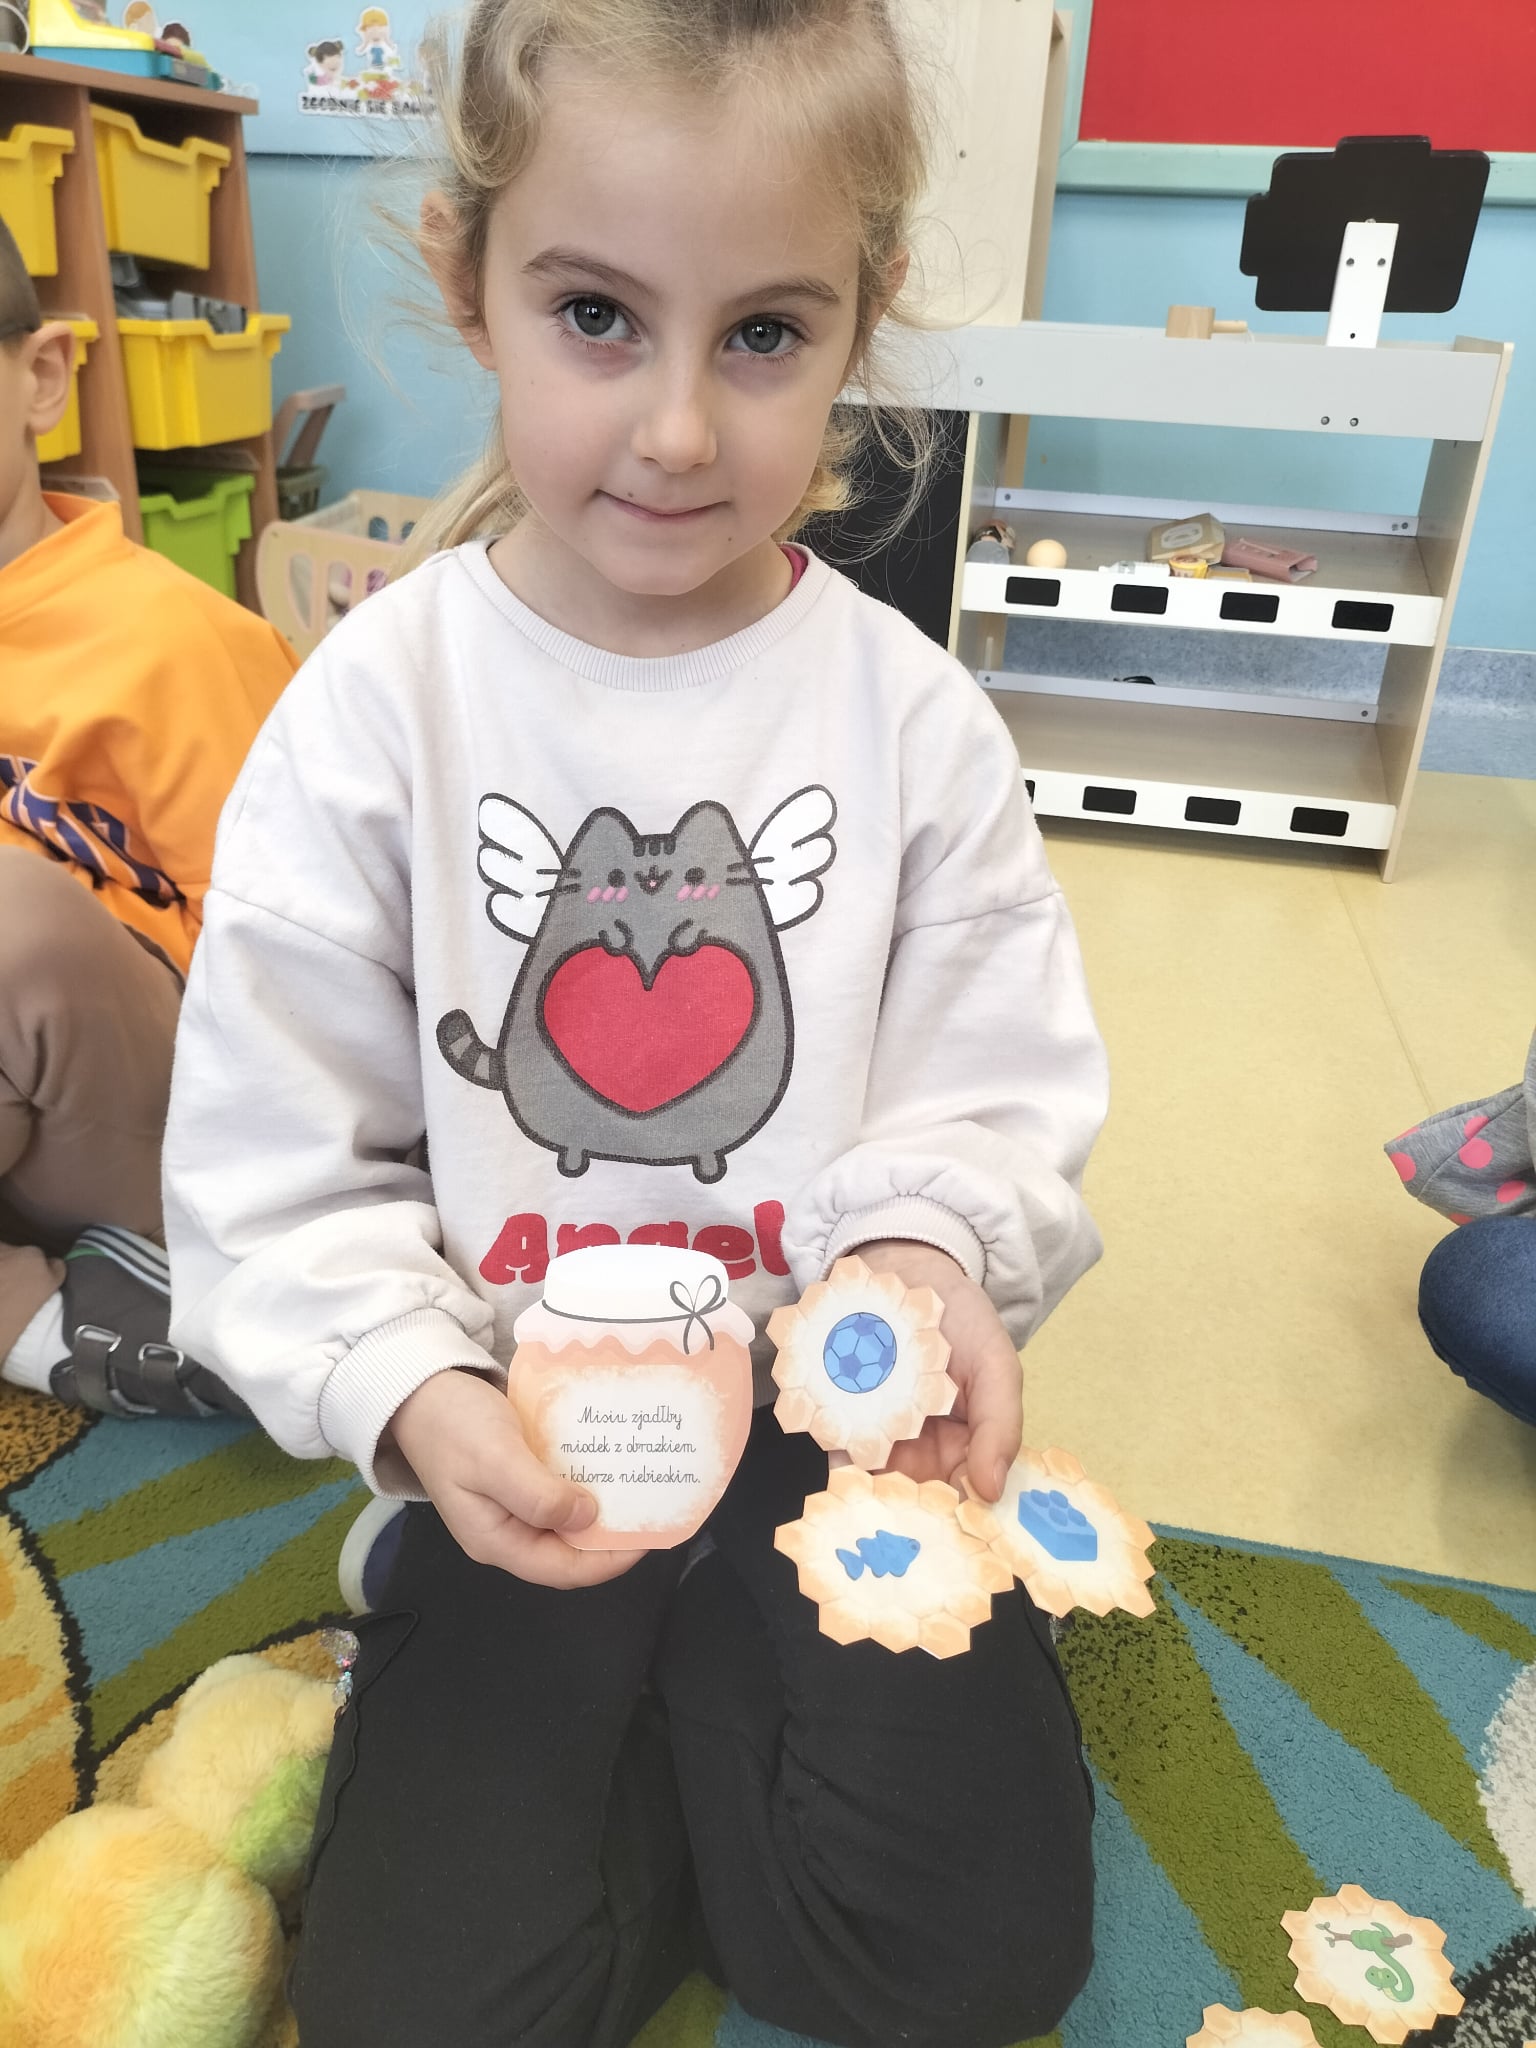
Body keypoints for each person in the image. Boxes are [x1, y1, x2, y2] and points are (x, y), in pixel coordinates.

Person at [162, 3, 1110, 2043]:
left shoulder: (912, 718)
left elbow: (985, 1082)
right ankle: (590, 1693)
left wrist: (926, 1249)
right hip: (516, 1431)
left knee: (971, 1960)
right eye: (596, 316)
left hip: (824, 1435)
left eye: (761, 334)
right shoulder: (372, 709)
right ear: (469, 282)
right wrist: (414, 1391)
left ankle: (694, 1691)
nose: (678, 429)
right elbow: (276, 1156)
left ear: (863, 317)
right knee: (419, 2017)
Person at [0, 218, 296, 1419]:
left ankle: (165, 1289)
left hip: (161, 1117)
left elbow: (297, 979)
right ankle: (46, 1314)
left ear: (41, 375)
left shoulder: (179, 644)